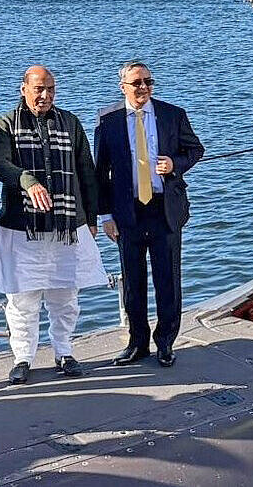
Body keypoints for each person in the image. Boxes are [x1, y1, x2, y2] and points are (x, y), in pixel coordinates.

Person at [0, 65, 107, 383]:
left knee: (65, 296)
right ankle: (22, 357)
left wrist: (91, 219)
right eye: (39, 88)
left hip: (67, 225)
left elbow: (86, 171)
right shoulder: (5, 124)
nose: (45, 95)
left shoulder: (70, 122)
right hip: (21, 227)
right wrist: (27, 181)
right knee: (22, 299)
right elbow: (0, 165)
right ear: (23, 89)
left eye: (50, 89)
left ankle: (64, 352)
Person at [94, 61, 205, 366]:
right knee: (133, 282)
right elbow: (100, 172)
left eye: (148, 81)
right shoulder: (108, 120)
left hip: (164, 209)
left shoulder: (172, 114)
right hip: (127, 211)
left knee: (167, 279)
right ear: (123, 87)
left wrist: (174, 165)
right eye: (136, 83)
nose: (143, 87)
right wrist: (105, 216)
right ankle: (137, 343)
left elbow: (195, 150)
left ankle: (166, 342)